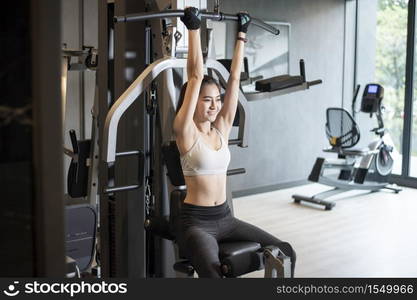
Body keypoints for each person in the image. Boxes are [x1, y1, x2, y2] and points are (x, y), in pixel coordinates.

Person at [172, 7, 296, 278]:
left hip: (226, 219)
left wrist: (241, 35)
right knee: (214, 275)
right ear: (192, 103)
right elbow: (195, 77)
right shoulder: (185, 131)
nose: (215, 105)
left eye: (217, 99)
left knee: (286, 250)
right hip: (197, 223)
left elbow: (234, 79)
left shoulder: (221, 130)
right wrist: (193, 29)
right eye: (207, 100)